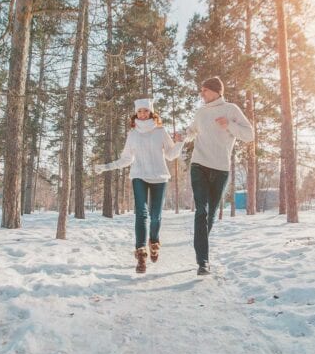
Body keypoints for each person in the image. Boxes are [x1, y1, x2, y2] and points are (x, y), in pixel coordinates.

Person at [94, 98, 184, 273]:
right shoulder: (133, 134)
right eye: (140, 111)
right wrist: (107, 167)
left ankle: (154, 242)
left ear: (151, 112)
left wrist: (180, 142)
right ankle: (141, 253)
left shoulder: (160, 131)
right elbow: (127, 159)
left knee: (156, 215)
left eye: (146, 111)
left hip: (159, 177)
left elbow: (171, 155)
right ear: (136, 113)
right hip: (139, 176)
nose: (142, 114)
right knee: (141, 214)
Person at [186, 77, 254, 275]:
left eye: (205, 90)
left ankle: (200, 243)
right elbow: (192, 131)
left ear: (216, 91)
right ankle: (203, 261)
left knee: (211, 214)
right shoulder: (201, 112)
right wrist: (184, 135)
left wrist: (229, 126)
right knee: (202, 211)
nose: (202, 94)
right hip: (198, 164)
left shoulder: (231, 109)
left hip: (220, 168)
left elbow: (249, 135)